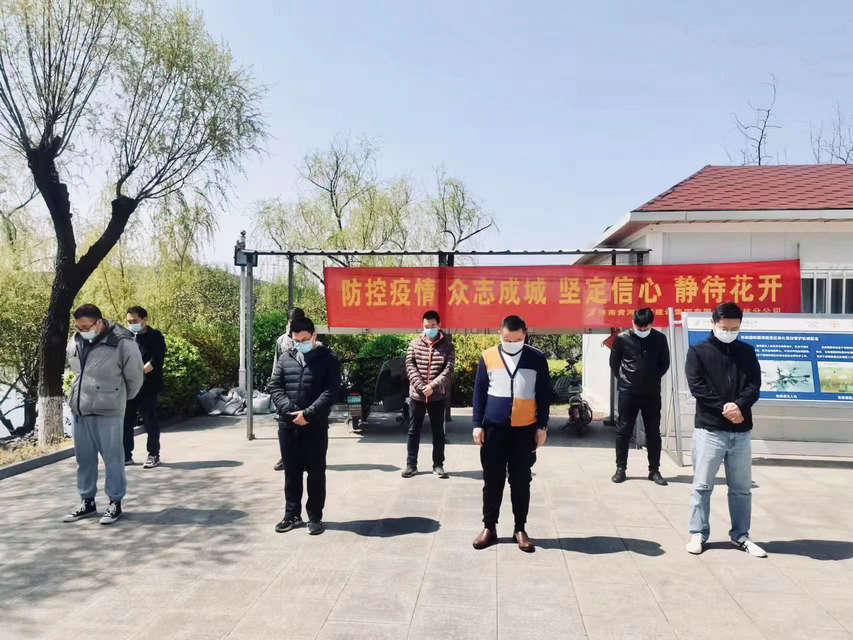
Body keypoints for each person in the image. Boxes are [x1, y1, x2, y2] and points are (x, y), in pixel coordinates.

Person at [684, 301, 766, 557]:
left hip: (741, 430)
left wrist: (739, 405)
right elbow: (697, 387)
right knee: (702, 485)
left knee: (741, 488)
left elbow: (754, 385)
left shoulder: (747, 352)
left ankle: (740, 535)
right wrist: (724, 408)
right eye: (724, 327)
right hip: (710, 429)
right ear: (713, 323)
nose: (729, 332)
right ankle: (698, 533)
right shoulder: (698, 351)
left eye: (734, 328)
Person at [471, 315, 551, 552]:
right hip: (494, 430)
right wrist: (477, 424)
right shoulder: (488, 356)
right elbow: (479, 393)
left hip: (524, 431)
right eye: (507, 339)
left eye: (516, 340)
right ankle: (489, 527)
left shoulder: (536, 358)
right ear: (500, 334)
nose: (511, 343)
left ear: (525, 334)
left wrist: (542, 426)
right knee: (492, 480)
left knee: (521, 481)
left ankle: (520, 528)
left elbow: (544, 394)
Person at [63, 304, 144, 525]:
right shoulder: (76, 340)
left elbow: (135, 377)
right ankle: (87, 501)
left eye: (86, 327)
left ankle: (115, 502)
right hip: (81, 409)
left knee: (113, 459)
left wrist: (118, 398)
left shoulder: (122, 341)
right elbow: (77, 372)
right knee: (84, 460)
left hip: (109, 410)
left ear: (99, 322)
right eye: (78, 327)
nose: (82, 331)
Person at [269, 314, 341, 536]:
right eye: (296, 340)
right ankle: (292, 515)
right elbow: (275, 387)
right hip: (288, 425)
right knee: (291, 473)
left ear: (314, 336)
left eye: (304, 340)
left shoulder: (328, 359)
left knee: (316, 473)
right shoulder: (285, 358)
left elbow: (331, 391)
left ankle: (315, 517)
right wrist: (291, 412)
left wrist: (308, 414)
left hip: (315, 425)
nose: (300, 344)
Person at [609, 307, 670, 485]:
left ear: (651, 324)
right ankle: (620, 468)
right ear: (633, 323)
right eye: (638, 327)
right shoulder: (622, 338)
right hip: (628, 391)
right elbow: (614, 363)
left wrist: (652, 378)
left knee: (653, 431)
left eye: (646, 328)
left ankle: (654, 470)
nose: (642, 330)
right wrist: (625, 379)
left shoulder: (660, 338)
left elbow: (664, 363)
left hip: (651, 393)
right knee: (624, 429)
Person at [402, 310, 455, 479]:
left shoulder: (447, 345)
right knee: (413, 431)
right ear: (422, 325)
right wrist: (421, 386)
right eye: (427, 326)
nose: (430, 329)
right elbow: (410, 366)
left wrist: (433, 386)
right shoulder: (414, 343)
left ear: (439, 325)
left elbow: (448, 369)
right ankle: (411, 465)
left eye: (433, 325)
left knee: (438, 432)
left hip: (437, 396)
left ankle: (438, 465)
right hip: (417, 396)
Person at [123, 306, 166, 468]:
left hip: (148, 386)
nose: (131, 324)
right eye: (129, 321)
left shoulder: (155, 336)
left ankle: (153, 454)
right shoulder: (127, 337)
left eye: (134, 321)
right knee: (126, 422)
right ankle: (126, 455)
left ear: (144, 319)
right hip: (129, 387)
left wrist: (138, 374)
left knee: (150, 421)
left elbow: (155, 360)